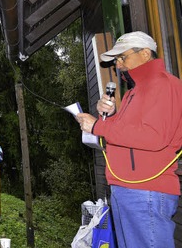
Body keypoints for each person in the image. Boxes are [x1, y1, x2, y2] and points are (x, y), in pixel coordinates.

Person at [76, 31, 182, 248]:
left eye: (123, 57)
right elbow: (126, 135)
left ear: (145, 54)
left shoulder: (163, 84)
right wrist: (110, 115)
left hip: (147, 191)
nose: (119, 64)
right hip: (125, 189)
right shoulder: (133, 93)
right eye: (117, 60)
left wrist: (97, 126)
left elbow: (154, 137)